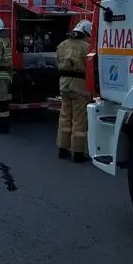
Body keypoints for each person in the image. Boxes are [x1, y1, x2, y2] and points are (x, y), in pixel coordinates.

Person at [55, 19, 93, 163]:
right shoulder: (86, 47)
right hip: (79, 85)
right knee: (79, 119)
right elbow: (90, 68)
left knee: (64, 116)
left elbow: (58, 64)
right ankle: (78, 153)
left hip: (64, 84)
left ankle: (62, 148)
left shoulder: (62, 45)